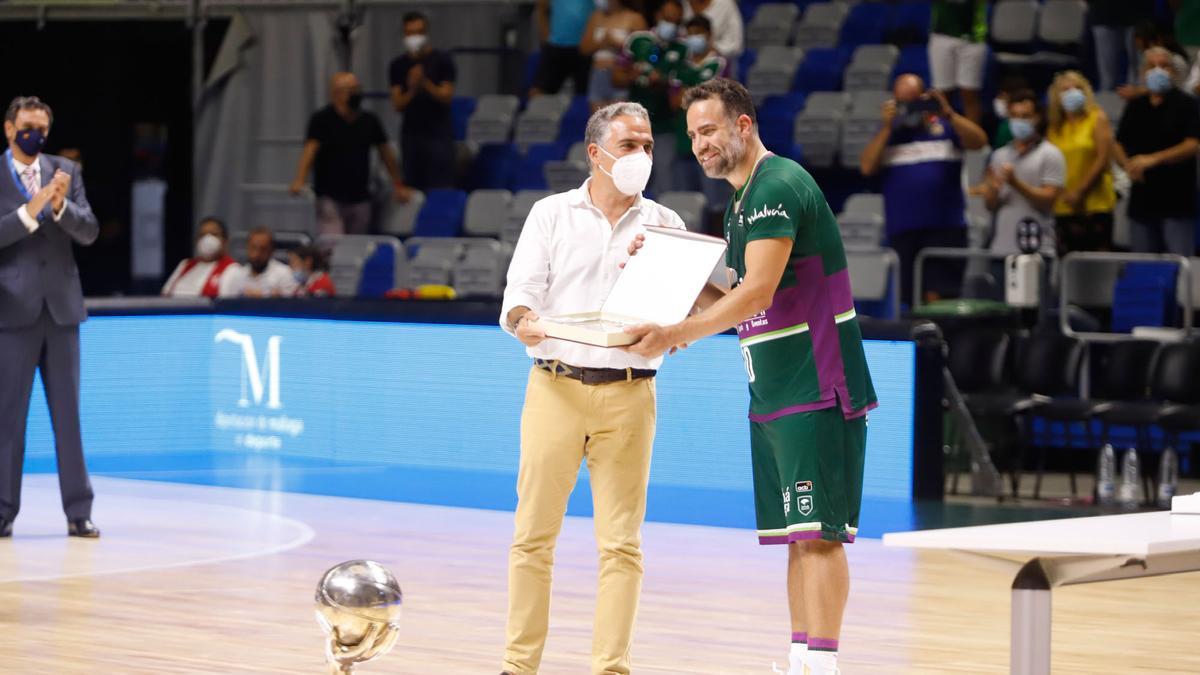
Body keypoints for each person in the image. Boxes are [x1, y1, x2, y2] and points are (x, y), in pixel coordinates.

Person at [623, 78, 876, 675]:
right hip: (775, 391)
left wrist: (673, 335)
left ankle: (824, 664)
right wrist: (672, 266)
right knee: (798, 536)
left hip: (816, 386)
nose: (700, 145)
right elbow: (740, 298)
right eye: (691, 135)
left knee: (819, 535)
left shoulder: (776, 187)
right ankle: (798, 658)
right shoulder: (742, 203)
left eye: (708, 130)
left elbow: (755, 291)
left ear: (743, 124)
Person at [498, 101, 685, 675]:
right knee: (532, 538)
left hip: (630, 393)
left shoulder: (668, 226)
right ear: (596, 153)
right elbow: (519, 295)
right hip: (554, 386)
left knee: (621, 545)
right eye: (629, 145)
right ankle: (518, 665)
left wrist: (672, 334)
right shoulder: (550, 214)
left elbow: (680, 322)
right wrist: (524, 320)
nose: (642, 156)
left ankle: (611, 668)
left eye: (649, 146)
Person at [0, 96, 100, 539]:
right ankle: (3, 511)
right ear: (9, 128)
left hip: (61, 312)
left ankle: (79, 512)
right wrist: (29, 211)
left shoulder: (66, 171)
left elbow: (90, 229)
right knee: (7, 418)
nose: (34, 135)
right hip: (13, 311)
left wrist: (60, 207)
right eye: (26, 126)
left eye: (41, 128)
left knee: (68, 417)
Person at [859, 73, 988, 304]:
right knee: (908, 299)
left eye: (915, 101)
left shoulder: (946, 127)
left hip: (945, 228)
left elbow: (979, 141)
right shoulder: (889, 134)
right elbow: (867, 167)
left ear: (925, 97)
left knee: (940, 298)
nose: (910, 108)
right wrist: (887, 128)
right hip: (903, 231)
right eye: (903, 102)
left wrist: (948, 113)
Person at [290, 72, 410, 236]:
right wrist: (300, 179)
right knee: (332, 243)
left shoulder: (370, 120)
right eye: (349, 90)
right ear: (335, 94)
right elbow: (310, 151)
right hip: (329, 195)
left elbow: (386, 154)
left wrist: (398, 184)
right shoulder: (321, 120)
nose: (355, 94)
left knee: (356, 246)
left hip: (360, 195)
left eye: (356, 89)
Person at [1114, 47, 1200, 255]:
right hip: (1142, 198)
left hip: (1176, 198)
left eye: (1164, 66)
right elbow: (1117, 142)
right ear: (1143, 73)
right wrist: (1127, 164)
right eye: (1152, 66)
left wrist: (1154, 159)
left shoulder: (1188, 104)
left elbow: (1193, 144)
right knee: (1143, 264)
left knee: (1179, 263)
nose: (1158, 71)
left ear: (1174, 72)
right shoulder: (1136, 106)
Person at [975, 90, 1065, 256]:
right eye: (1015, 116)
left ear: (1037, 118)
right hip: (1001, 248)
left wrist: (1015, 183)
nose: (1019, 121)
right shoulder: (999, 155)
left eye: (1025, 116)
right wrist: (993, 191)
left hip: (1037, 249)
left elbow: (1048, 201)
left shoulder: (1050, 154)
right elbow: (990, 206)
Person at [1045, 71, 1117, 253]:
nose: (1072, 92)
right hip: (1064, 204)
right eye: (1066, 89)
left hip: (1095, 203)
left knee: (1097, 264)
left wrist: (1080, 191)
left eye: (1077, 88)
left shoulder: (1097, 117)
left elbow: (1103, 158)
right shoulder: (1054, 127)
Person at [389, 12, 457, 192]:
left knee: (440, 186)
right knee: (412, 185)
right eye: (410, 33)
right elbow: (397, 103)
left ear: (426, 33)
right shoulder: (398, 65)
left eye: (418, 32)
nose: (414, 37)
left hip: (438, 134)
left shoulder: (442, 60)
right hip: (411, 135)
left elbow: (446, 96)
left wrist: (425, 83)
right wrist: (412, 88)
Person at [928, 0, 988, 124]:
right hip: (941, 35)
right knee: (941, 93)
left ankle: (974, 140)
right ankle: (941, 136)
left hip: (973, 38)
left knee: (969, 93)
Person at [581, 0, 647, 110]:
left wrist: (620, 45)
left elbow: (643, 52)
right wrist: (603, 43)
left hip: (620, 76)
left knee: (618, 122)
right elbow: (584, 48)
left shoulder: (635, 18)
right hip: (598, 75)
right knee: (598, 124)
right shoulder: (596, 17)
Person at [162, 216, 241, 297]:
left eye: (214, 234)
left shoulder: (233, 269)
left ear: (225, 241)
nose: (207, 239)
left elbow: (225, 305)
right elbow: (165, 295)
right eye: (202, 235)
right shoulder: (185, 264)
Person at [530, 0, 595, 96]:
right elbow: (541, 7)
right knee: (539, 90)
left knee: (586, 94)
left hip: (584, 48)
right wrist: (546, 40)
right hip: (556, 45)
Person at [219, 227, 299, 298]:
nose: (257, 254)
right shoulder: (237, 274)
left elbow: (292, 305)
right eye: (253, 248)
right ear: (247, 248)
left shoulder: (284, 273)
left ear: (271, 251)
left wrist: (270, 298)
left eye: (263, 249)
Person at [1089, 1, 1152, 91]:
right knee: (1108, 79)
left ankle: (1139, 102)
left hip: (1138, 13)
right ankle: (1108, 103)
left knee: (1139, 72)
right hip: (1103, 13)